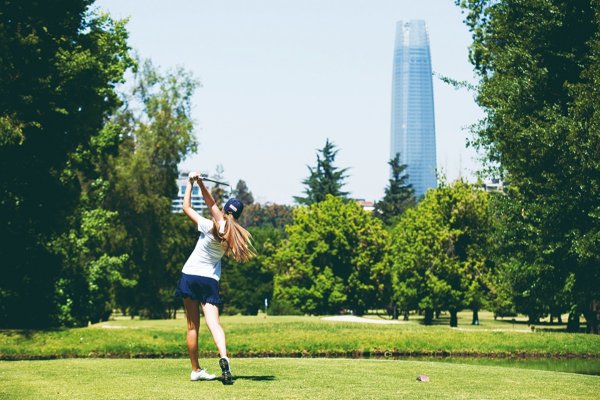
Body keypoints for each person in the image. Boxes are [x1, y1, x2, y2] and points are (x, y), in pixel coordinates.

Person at [175, 171, 255, 383]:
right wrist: (199, 182)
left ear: (225, 210)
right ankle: (224, 356)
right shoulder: (233, 235)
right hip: (209, 280)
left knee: (192, 326)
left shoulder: (210, 226)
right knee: (214, 324)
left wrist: (193, 183)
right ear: (237, 215)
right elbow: (213, 207)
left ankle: (196, 370)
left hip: (189, 276)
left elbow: (189, 208)